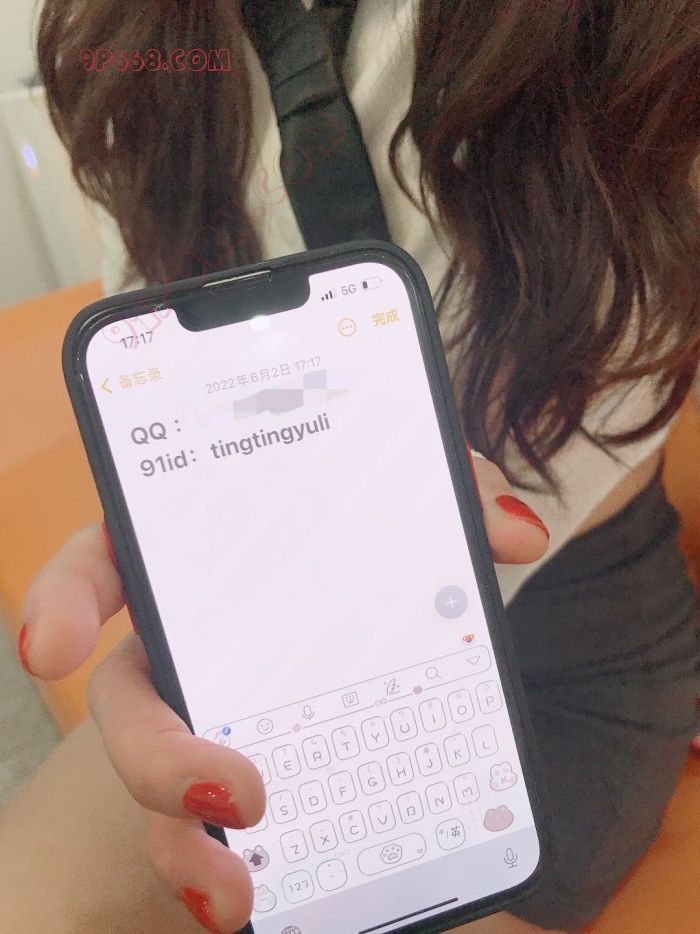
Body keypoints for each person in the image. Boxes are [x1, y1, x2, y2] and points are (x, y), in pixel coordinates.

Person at [4, 1, 699, 932]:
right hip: (279, 643)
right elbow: (151, 330)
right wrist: (200, 543)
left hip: (574, 635)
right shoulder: (136, 35)